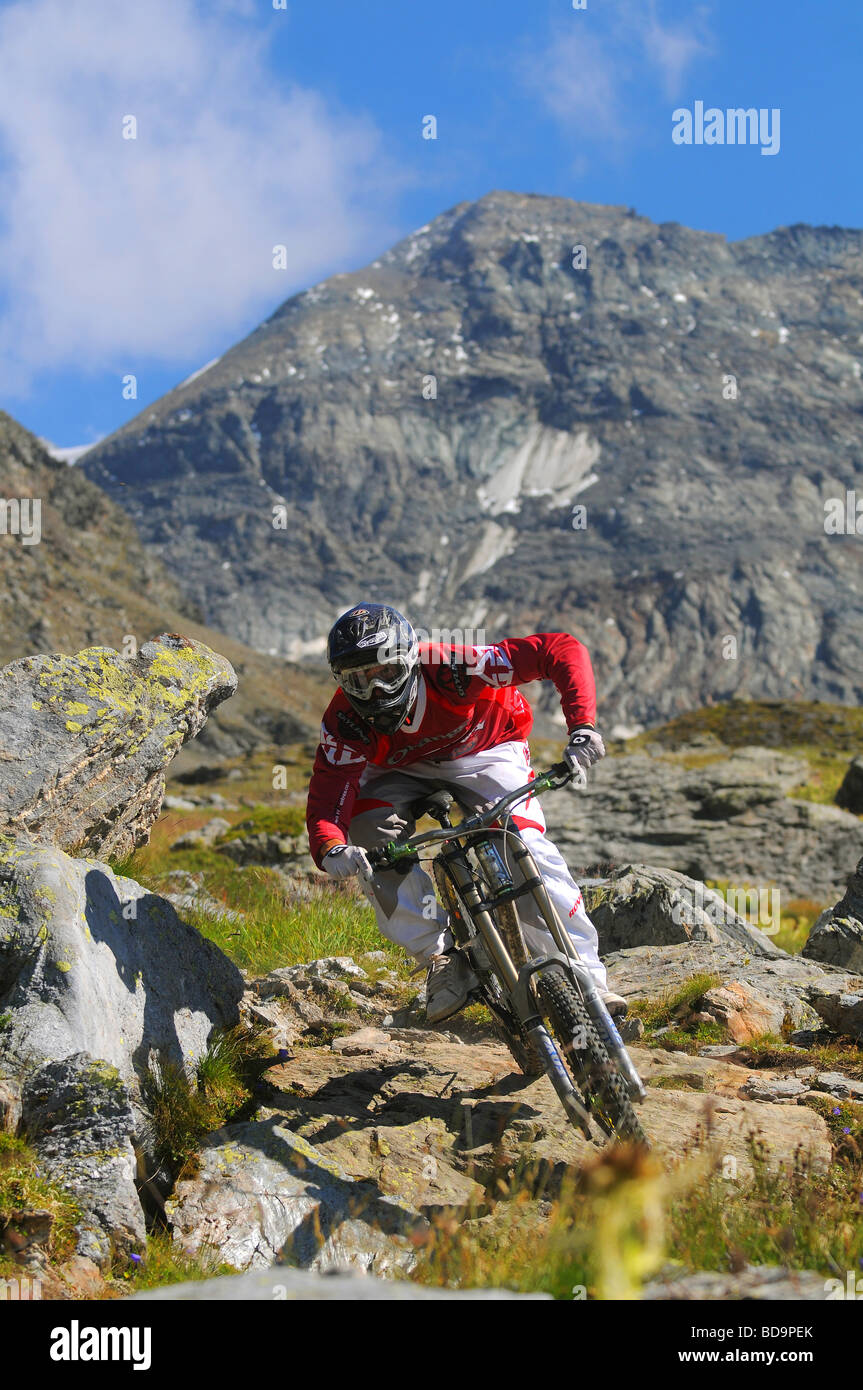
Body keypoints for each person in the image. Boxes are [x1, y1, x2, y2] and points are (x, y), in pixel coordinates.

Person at [305, 603, 627, 1025]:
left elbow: (559, 650)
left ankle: (585, 975)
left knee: (522, 843)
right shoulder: (344, 719)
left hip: (486, 749)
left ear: (408, 660)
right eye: (357, 681)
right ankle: (439, 958)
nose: (375, 692)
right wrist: (332, 848)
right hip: (396, 769)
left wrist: (582, 724)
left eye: (384, 672)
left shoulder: (455, 667)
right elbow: (330, 791)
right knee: (370, 841)